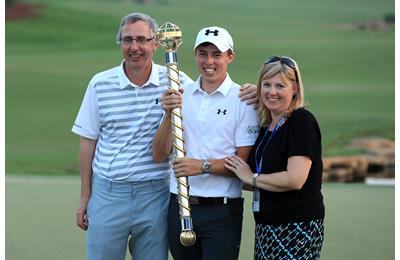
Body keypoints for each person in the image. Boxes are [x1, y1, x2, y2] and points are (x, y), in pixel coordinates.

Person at [72, 13, 257, 260]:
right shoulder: (100, 84)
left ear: (155, 43)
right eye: (127, 40)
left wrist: (255, 92)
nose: (134, 47)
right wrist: (86, 197)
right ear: (120, 43)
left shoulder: (175, 80)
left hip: (156, 194)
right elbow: (88, 142)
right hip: (110, 192)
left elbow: (211, 89)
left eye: (141, 39)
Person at [152, 26, 260, 260]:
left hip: (222, 210)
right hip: (179, 206)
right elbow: (159, 154)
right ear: (195, 55)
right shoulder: (180, 94)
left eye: (216, 54)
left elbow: (243, 163)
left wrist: (201, 166)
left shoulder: (242, 100)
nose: (208, 61)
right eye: (203, 53)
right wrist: (169, 114)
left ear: (230, 56)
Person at [225, 56, 325, 259]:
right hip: (266, 228)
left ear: (295, 88)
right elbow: (255, 177)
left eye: (281, 86)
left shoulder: (301, 121)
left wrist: (251, 177)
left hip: (296, 227)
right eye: (266, 84)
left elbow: (295, 179)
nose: (272, 92)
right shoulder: (266, 127)